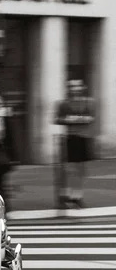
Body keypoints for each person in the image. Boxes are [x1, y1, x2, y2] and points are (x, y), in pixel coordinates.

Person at [54, 79, 95, 209]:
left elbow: (91, 117)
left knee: (81, 168)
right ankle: (65, 195)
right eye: (71, 86)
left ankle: (77, 195)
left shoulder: (88, 102)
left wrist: (82, 119)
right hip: (69, 137)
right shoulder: (63, 104)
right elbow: (57, 119)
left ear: (82, 87)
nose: (74, 89)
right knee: (68, 168)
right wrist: (67, 119)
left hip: (83, 137)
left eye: (77, 86)